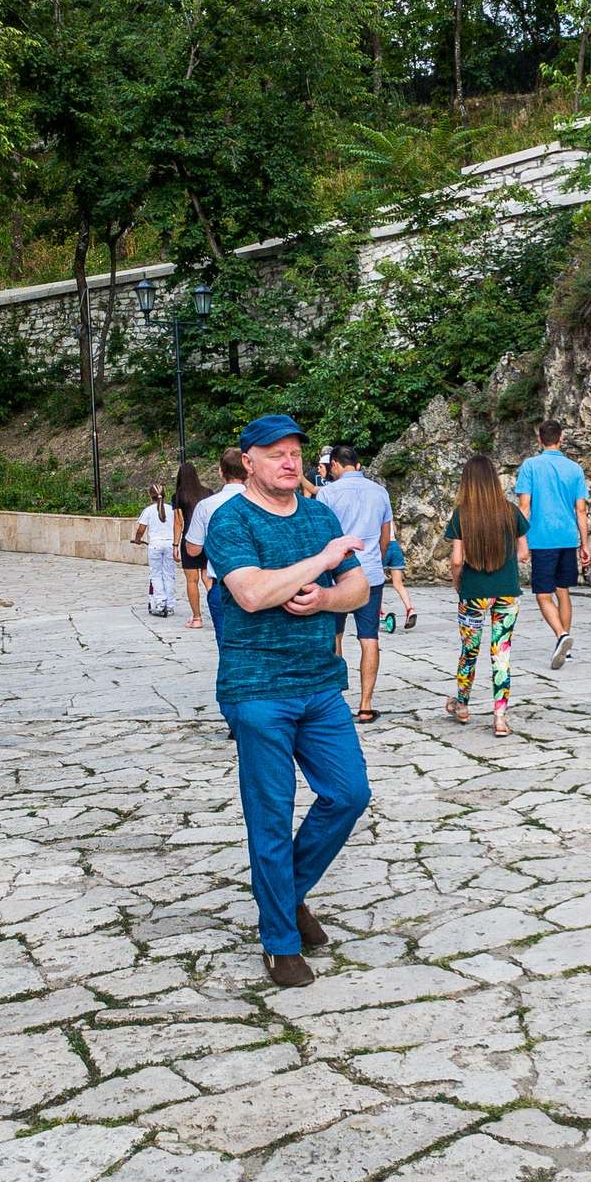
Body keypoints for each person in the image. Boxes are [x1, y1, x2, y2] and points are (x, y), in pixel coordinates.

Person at [204, 413, 372, 989]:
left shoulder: (319, 513)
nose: (289, 460)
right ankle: (280, 941)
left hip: (320, 684)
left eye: (295, 451)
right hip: (257, 690)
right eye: (274, 452)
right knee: (271, 815)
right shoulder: (232, 520)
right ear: (246, 460)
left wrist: (327, 597)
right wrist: (322, 561)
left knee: (350, 793)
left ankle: (288, 894)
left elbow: (358, 587)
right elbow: (251, 594)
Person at [445, 455, 530, 739]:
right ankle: (500, 717)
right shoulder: (510, 511)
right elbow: (523, 553)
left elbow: (457, 560)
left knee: (469, 651)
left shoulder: (461, 514)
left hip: (473, 593)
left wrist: (459, 584)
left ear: (467, 482)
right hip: (506, 592)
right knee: (501, 654)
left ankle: (463, 706)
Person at [318, 445, 395, 723]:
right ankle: (365, 704)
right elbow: (386, 536)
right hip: (371, 574)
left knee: (334, 636)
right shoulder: (380, 492)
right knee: (369, 638)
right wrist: (377, 560)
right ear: (358, 464)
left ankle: (336, 701)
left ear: (336, 465)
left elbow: (321, 535)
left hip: (338, 575)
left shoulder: (327, 493)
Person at [515, 419, 590, 670]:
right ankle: (565, 649)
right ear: (562, 438)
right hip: (568, 538)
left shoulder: (530, 466)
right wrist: (585, 544)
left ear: (539, 440)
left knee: (543, 594)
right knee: (563, 591)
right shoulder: (575, 469)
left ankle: (561, 635)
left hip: (542, 539)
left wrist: (521, 541)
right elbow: (581, 510)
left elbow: (524, 506)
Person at [184, 447, 248, 644]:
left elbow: (193, 549)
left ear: (221, 472)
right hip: (262, 582)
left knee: (226, 644)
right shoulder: (264, 501)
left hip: (222, 583)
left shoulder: (207, 505)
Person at [132, 483, 179, 616]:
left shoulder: (148, 510)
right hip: (170, 544)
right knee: (169, 574)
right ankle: (170, 604)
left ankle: (160, 602)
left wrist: (137, 539)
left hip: (155, 545)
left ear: (150, 495)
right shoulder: (171, 509)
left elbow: (141, 529)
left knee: (156, 574)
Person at [173, 460, 209, 629]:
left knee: (191, 581)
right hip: (207, 540)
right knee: (208, 578)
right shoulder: (207, 492)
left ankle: (197, 618)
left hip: (189, 541)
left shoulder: (179, 496)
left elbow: (178, 523)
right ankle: (219, 613)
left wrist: (174, 545)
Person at [382, 538, 417, 631]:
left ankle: (380, 613)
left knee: (376, 584)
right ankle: (410, 609)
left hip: (382, 546)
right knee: (398, 584)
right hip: (395, 547)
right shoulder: (390, 522)